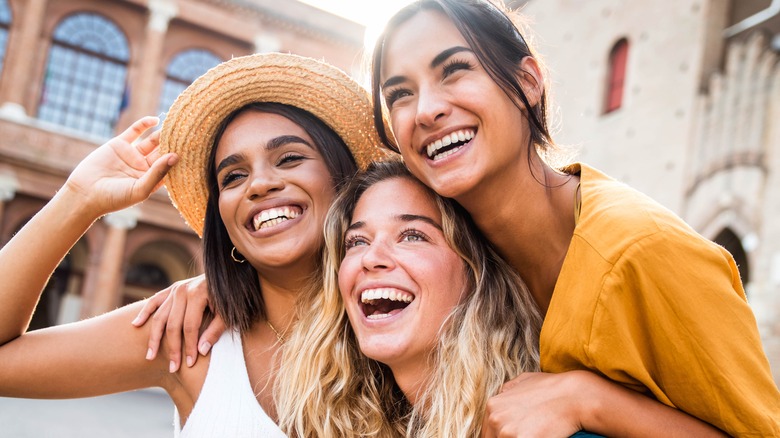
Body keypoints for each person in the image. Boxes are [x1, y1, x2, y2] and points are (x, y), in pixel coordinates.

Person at [364, 0, 780, 436]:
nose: (426, 110)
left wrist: (591, 401)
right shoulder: (451, 261)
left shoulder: (643, 252)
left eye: (454, 70)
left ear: (527, 83)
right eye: (400, 94)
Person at [0, 52, 386, 436]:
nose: (259, 184)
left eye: (288, 158)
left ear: (344, 177)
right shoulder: (185, 338)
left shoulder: (405, 323)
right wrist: (78, 199)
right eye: (233, 176)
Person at [274, 159, 727, 437]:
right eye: (357, 242)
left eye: (412, 235)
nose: (373, 258)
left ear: (476, 272)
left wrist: (589, 400)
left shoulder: (546, 427)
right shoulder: (347, 423)